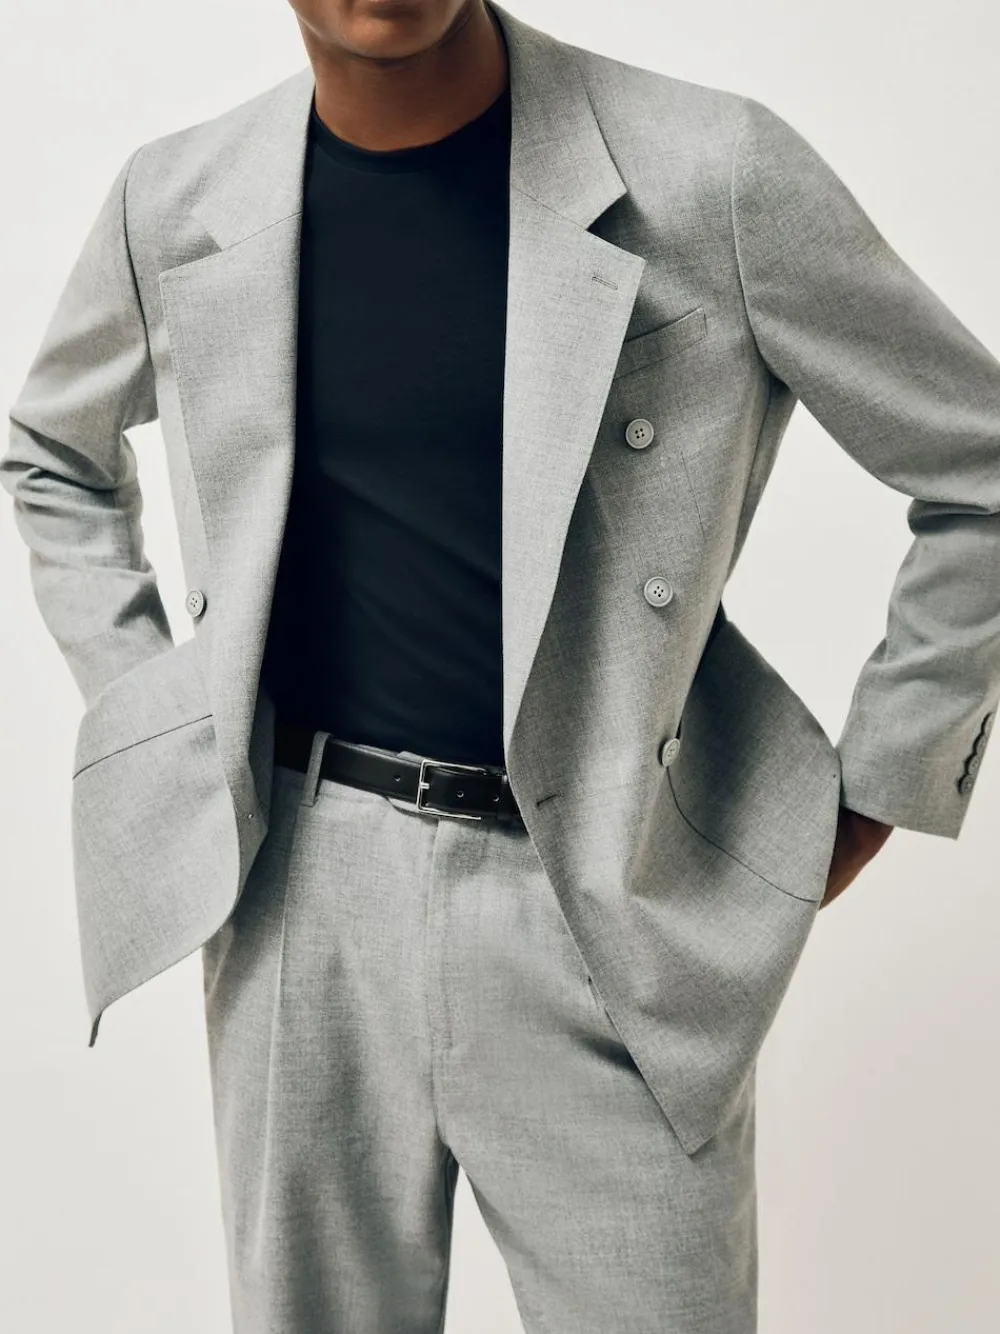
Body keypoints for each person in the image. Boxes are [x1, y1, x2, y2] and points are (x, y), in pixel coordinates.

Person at [4, 1, 998, 1329]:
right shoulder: (178, 200)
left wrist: (879, 784)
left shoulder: (711, 170)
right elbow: (52, 454)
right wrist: (163, 716)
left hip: (608, 904)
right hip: (301, 896)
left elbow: (980, 470)